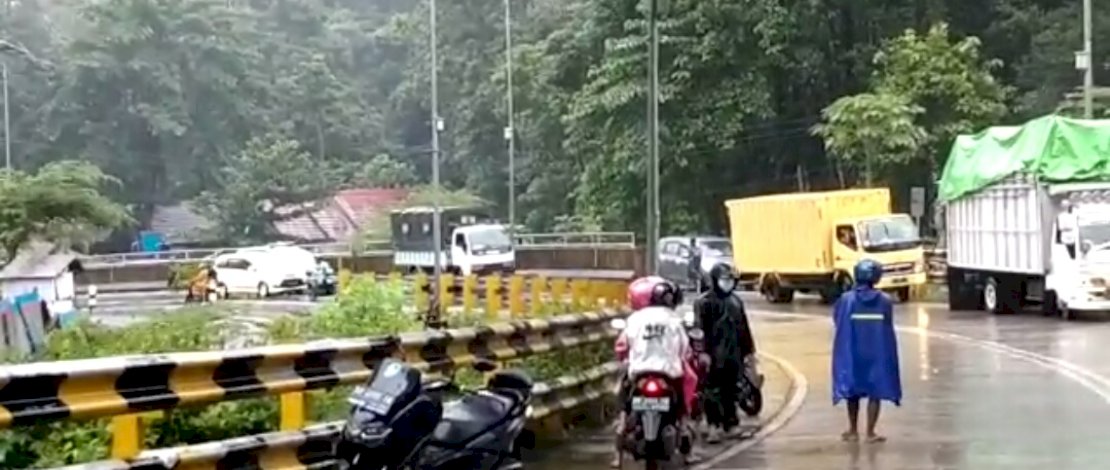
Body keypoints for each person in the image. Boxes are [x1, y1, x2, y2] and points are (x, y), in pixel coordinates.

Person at [612, 276, 697, 467]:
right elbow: (685, 349)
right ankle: (685, 436)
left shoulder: (635, 318)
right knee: (683, 403)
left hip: (639, 372)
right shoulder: (674, 320)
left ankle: (618, 447)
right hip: (668, 373)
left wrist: (626, 356)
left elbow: (621, 346)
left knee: (624, 401)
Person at [831, 259, 901, 443]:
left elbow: (837, 320)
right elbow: (887, 325)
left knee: (852, 390)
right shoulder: (884, 301)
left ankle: (853, 430)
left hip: (853, 351)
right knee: (874, 390)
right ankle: (870, 432)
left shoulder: (847, 299)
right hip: (876, 351)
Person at [693, 263, 756, 442]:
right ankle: (713, 426)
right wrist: (702, 352)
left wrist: (749, 352)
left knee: (731, 391)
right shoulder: (703, 302)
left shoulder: (736, 302)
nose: (727, 283)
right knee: (712, 392)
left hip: (732, 355)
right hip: (712, 356)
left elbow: (744, 329)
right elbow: (699, 329)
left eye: (730, 279)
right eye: (724, 279)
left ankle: (731, 424)